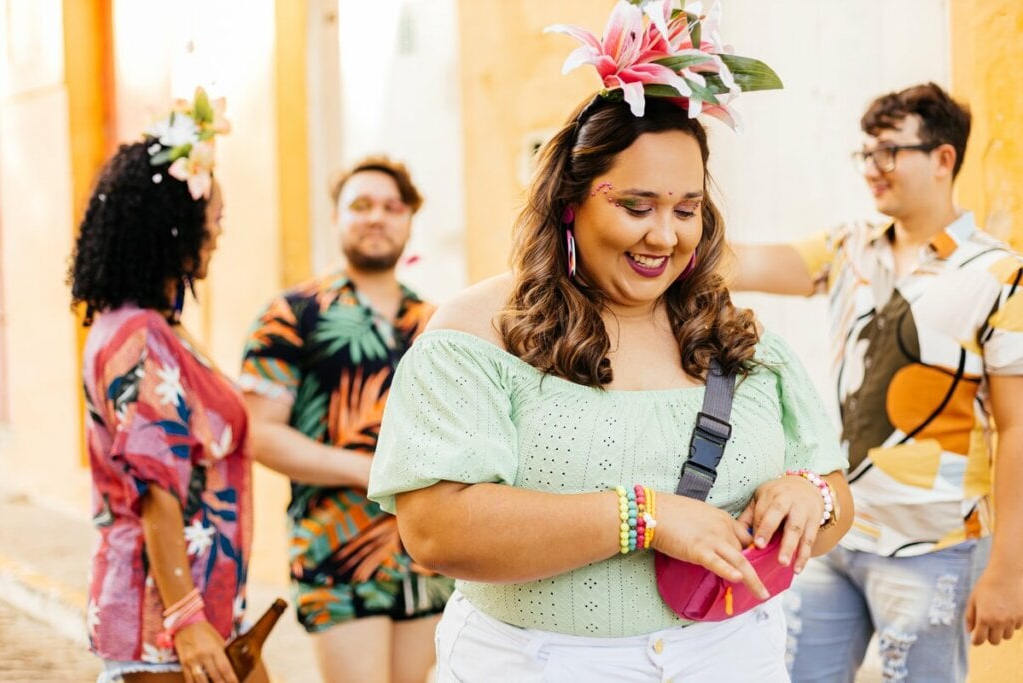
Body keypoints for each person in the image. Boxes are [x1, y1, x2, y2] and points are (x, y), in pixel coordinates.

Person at [367, 3, 852, 681]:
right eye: (636, 206)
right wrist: (642, 516)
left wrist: (812, 496)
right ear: (571, 200)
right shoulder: (475, 333)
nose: (665, 236)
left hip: (734, 656)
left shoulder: (734, 334)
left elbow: (832, 485)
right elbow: (436, 530)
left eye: (686, 209)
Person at [730, 82, 1023, 682]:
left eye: (888, 152)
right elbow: (742, 262)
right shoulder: (849, 246)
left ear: (943, 159)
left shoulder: (1001, 275)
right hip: (832, 528)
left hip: (935, 546)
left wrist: (1009, 570)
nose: (872, 170)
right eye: (864, 154)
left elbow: (1018, 427)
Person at [70, 89, 265, 683]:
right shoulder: (138, 335)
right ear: (174, 225)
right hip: (166, 629)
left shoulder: (150, 329)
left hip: (196, 614)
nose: (220, 231)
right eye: (216, 217)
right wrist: (187, 620)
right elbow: (158, 487)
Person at [240, 155, 453, 683]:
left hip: (424, 547)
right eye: (360, 206)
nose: (376, 217)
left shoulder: (438, 322)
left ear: (409, 220)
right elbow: (259, 433)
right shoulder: (293, 314)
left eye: (391, 207)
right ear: (335, 218)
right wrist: (367, 471)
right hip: (335, 548)